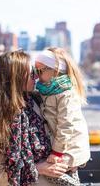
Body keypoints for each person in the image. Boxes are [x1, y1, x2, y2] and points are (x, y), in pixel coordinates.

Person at [0, 50, 68, 186]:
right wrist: (38, 168)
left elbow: (67, 128)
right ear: (16, 77)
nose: (36, 77)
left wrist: (69, 160)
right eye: (32, 72)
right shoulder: (0, 119)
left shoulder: (39, 101)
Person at [34, 47, 90, 185]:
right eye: (35, 71)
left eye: (40, 71)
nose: (37, 75)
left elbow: (66, 125)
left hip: (70, 147)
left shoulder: (67, 94)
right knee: (64, 174)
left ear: (55, 71)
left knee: (51, 172)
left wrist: (57, 152)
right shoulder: (47, 89)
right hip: (63, 146)